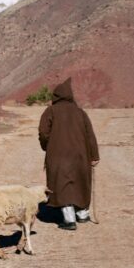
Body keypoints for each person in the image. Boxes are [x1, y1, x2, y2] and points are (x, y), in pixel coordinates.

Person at [38, 78, 99, 230]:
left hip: (58, 156)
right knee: (81, 182)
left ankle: (69, 219)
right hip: (81, 155)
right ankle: (83, 214)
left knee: (62, 184)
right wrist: (94, 156)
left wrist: (47, 147)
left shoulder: (50, 111)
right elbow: (90, 135)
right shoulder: (80, 113)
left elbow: (43, 133)